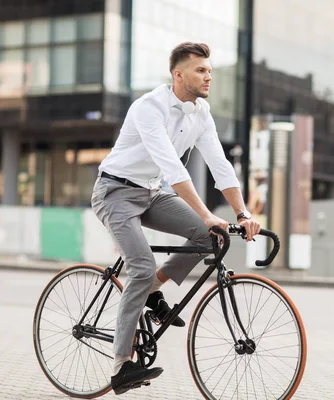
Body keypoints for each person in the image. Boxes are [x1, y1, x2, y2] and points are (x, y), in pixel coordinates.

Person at [91, 42, 260, 395]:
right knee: (139, 265)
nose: (208, 76)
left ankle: (153, 289)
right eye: (201, 70)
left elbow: (221, 166)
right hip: (115, 192)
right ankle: (122, 365)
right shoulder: (149, 107)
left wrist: (243, 213)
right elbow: (171, 166)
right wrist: (206, 212)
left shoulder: (201, 113)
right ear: (178, 74)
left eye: (210, 70)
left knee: (208, 236)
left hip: (151, 193)